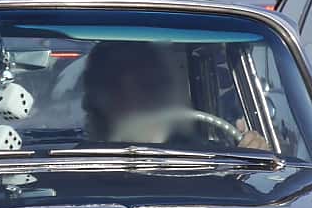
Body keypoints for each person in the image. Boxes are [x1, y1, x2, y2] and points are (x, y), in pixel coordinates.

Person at [81, 40, 268, 149]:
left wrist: (254, 152)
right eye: (116, 82)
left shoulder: (206, 156)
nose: (137, 92)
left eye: (148, 80)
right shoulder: (75, 166)